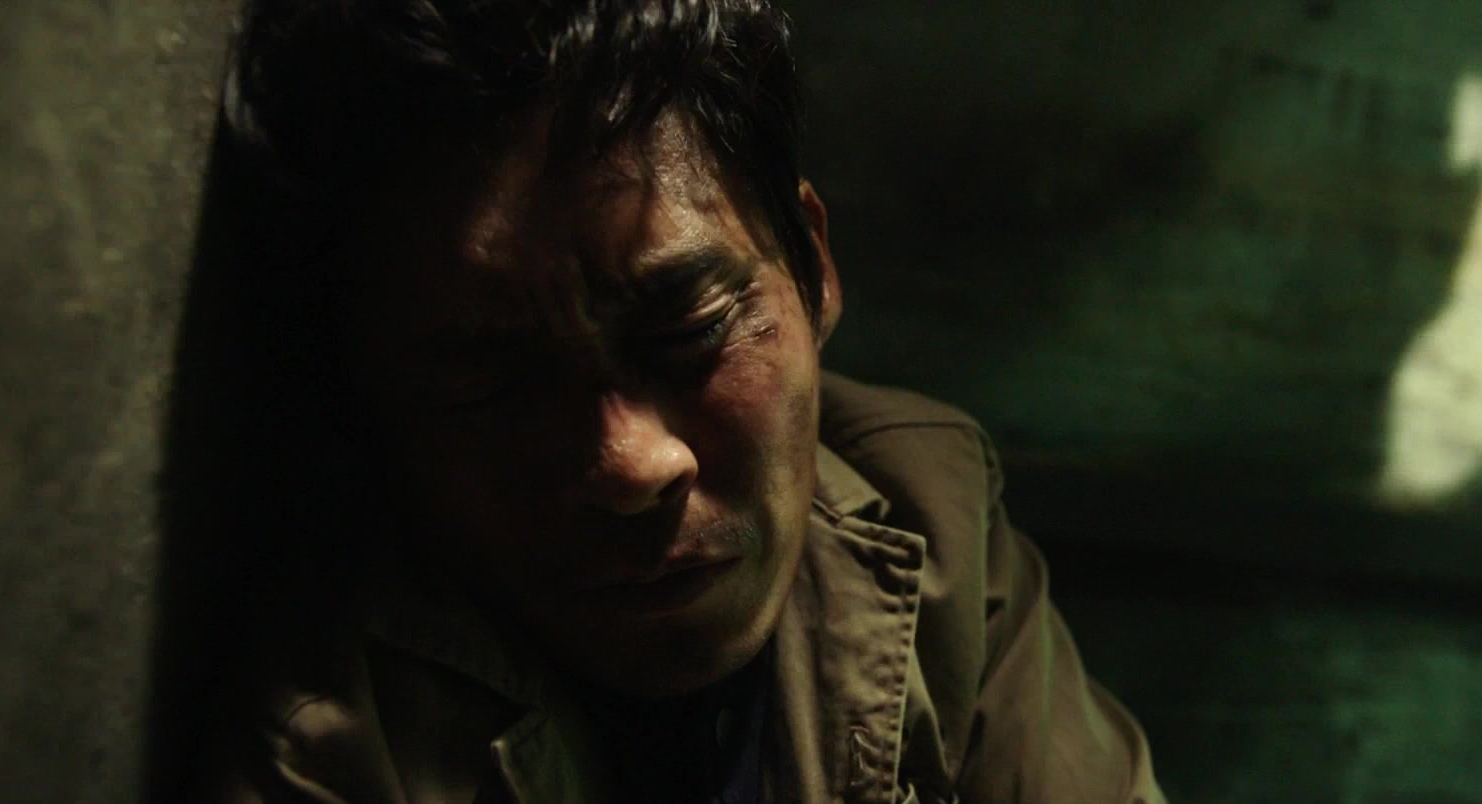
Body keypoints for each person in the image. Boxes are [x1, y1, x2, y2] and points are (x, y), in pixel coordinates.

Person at [213, 1, 1165, 801]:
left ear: (813, 266)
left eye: (690, 330)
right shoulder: (336, 740)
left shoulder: (935, 518)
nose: (632, 465)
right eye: (493, 378)